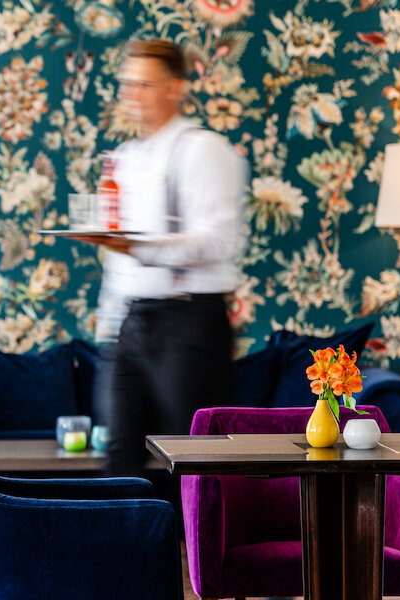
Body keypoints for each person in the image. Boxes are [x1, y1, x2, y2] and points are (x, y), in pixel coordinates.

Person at [72, 39, 248, 477]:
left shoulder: (203, 149)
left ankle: (196, 528)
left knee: (191, 463)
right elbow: (119, 256)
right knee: (119, 458)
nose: (131, 94)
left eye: (144, 85)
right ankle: (129, 528)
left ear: (175, 88)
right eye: (126, 84)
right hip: (131, 325)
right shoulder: (125, 158)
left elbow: (220, 240)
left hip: (189, 326)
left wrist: (139, 248)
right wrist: (111, 324)